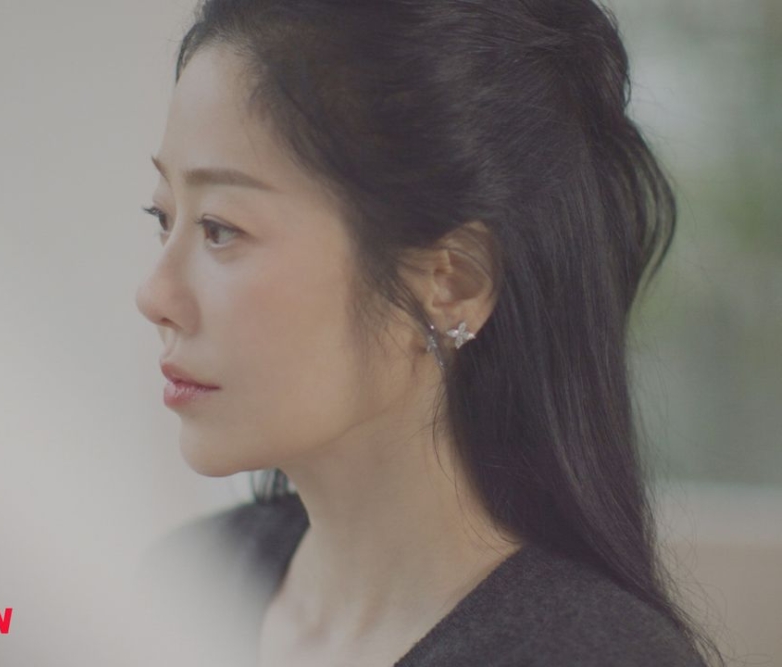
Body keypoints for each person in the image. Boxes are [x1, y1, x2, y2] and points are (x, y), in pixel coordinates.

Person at [132, 0, 724, 665]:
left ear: (452, 282)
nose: (154, 296)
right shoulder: (184, 587)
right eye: (163, 218)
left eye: (220, 229)